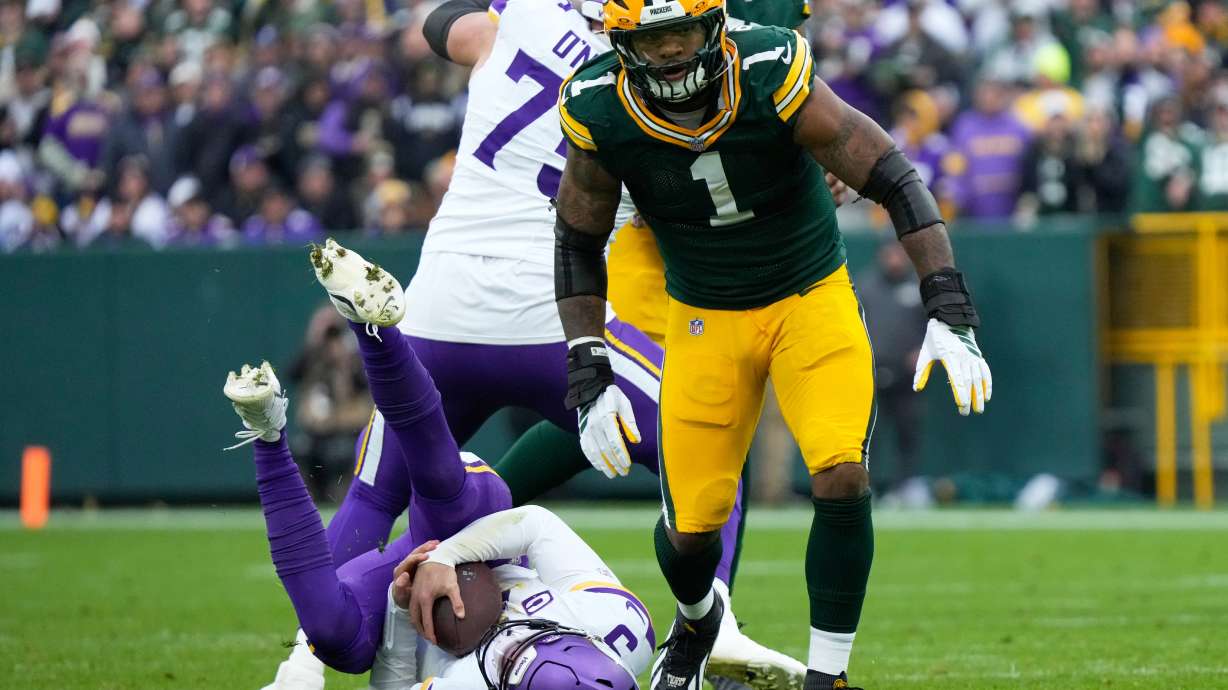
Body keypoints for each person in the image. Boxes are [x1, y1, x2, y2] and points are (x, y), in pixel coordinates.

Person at [551, 2, 994, 689]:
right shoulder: (595, 104)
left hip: (807, 296)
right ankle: (699, 619)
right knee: (690, 533)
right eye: (652, 36)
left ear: (714, 27)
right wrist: (587, 363)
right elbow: (578, 239)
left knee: (841, 471)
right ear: (621, 41)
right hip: (703, 315)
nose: (669, 51)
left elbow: (893, 174)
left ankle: (829, 675)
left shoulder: (768, 68)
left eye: (682, 32)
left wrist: (949, 304)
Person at [226, 241, 651, 689]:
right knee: (446, 503)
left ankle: (266, 432)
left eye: (510, 665)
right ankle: (372, 326)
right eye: (524, 651)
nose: (511, 649)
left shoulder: (469, 682)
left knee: (334, 635)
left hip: (416, 592)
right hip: (488, 535)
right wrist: (448, 555)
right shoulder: (621, 627)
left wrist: (402, 600)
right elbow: (533, 524)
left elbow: (393, 684)